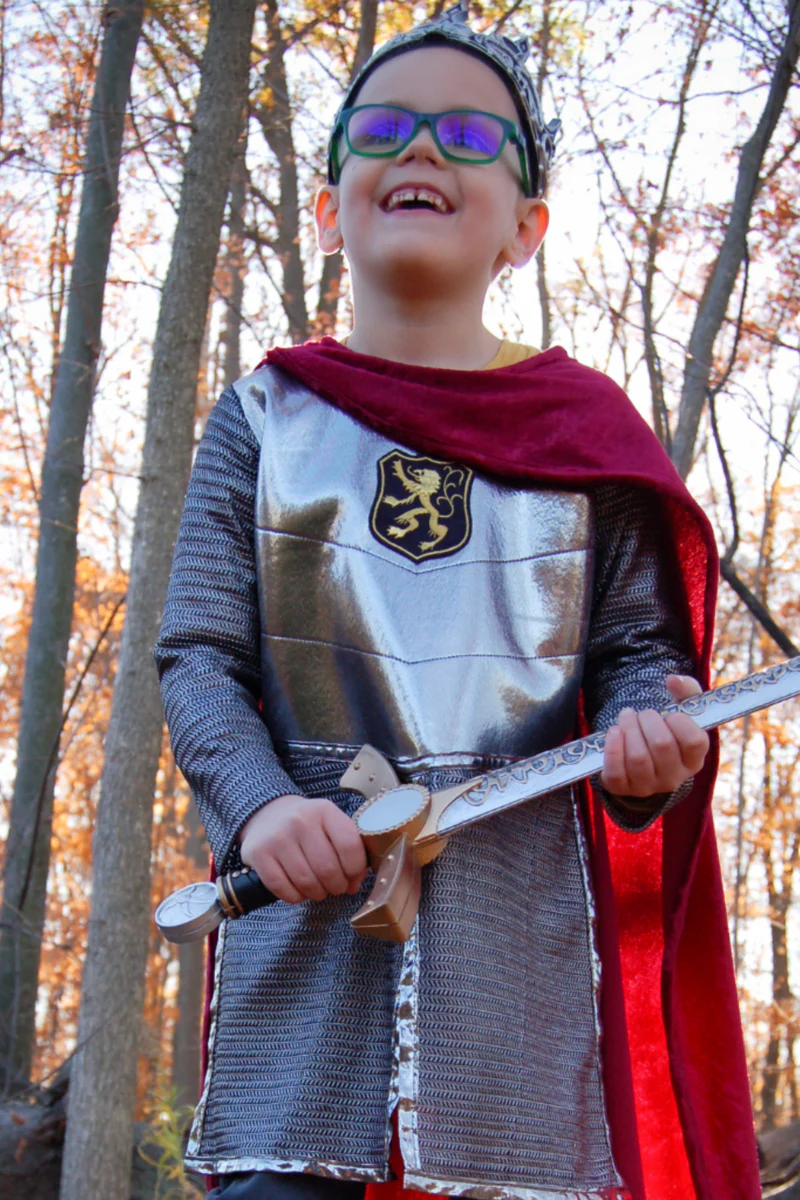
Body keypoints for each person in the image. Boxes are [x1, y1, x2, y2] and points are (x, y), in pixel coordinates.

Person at [155, 6, 760, 1199]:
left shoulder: (586, 440)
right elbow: (198, 656)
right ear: (328, 206)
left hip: (514, 945)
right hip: (304, 920)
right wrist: (261, 811)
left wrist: (646, 744)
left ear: (525, 227)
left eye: (470, 136)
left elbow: (636, 660)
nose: (423, 148)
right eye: (383, 129)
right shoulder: (264, 419)